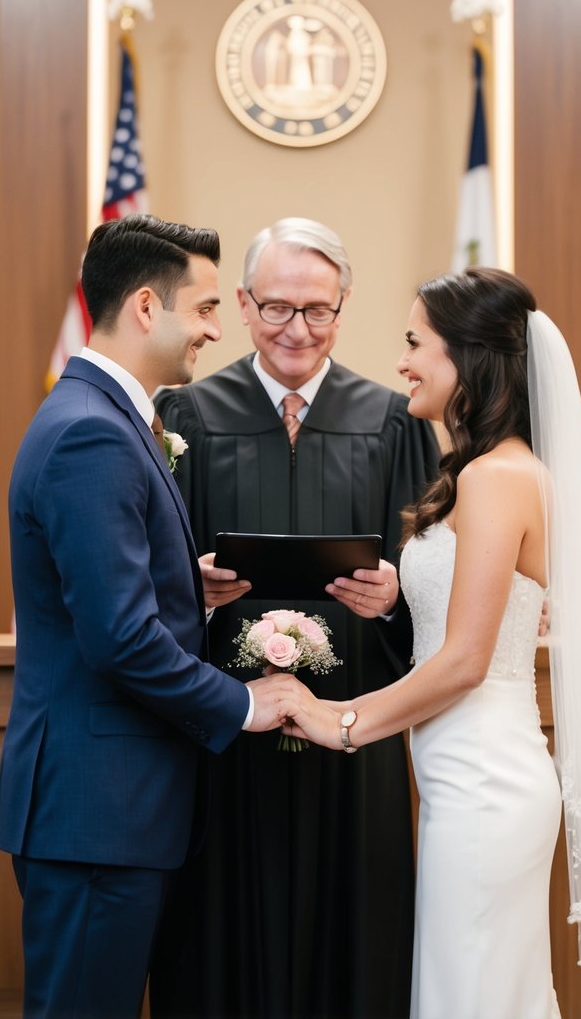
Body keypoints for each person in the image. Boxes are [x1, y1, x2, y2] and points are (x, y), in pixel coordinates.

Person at [278, 267, 581, 1018]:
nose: (401, 361)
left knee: (471, 996)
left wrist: (340, 719)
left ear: (469, 359)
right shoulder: (492, 471)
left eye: (417, 342)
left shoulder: (494, 476)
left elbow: (463, 662)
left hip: (486, 785)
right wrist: (400, 591)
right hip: (465, 779)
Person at [0, 215, 300, 1019]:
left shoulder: (106, 416)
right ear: (142, 306)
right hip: (97, 813)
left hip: (112, 813)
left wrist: (179, 588)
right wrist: (242, 702)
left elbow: (101, 598)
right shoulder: (92, 434)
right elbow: (118, 640)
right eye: (202, 308)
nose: (214, 328)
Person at [151, 218, 441, 1019]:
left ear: (342, 310)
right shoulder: (188, 415)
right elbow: (146, 577)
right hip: (226, 726)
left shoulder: (392, 421)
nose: (297, 330)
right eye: (277, 308)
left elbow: (430, 583)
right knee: (218, 918)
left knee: (353, 917)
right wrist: (189, 586)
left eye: (317, 310)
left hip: (353, 720)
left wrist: (395, 601)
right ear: (243, 306)